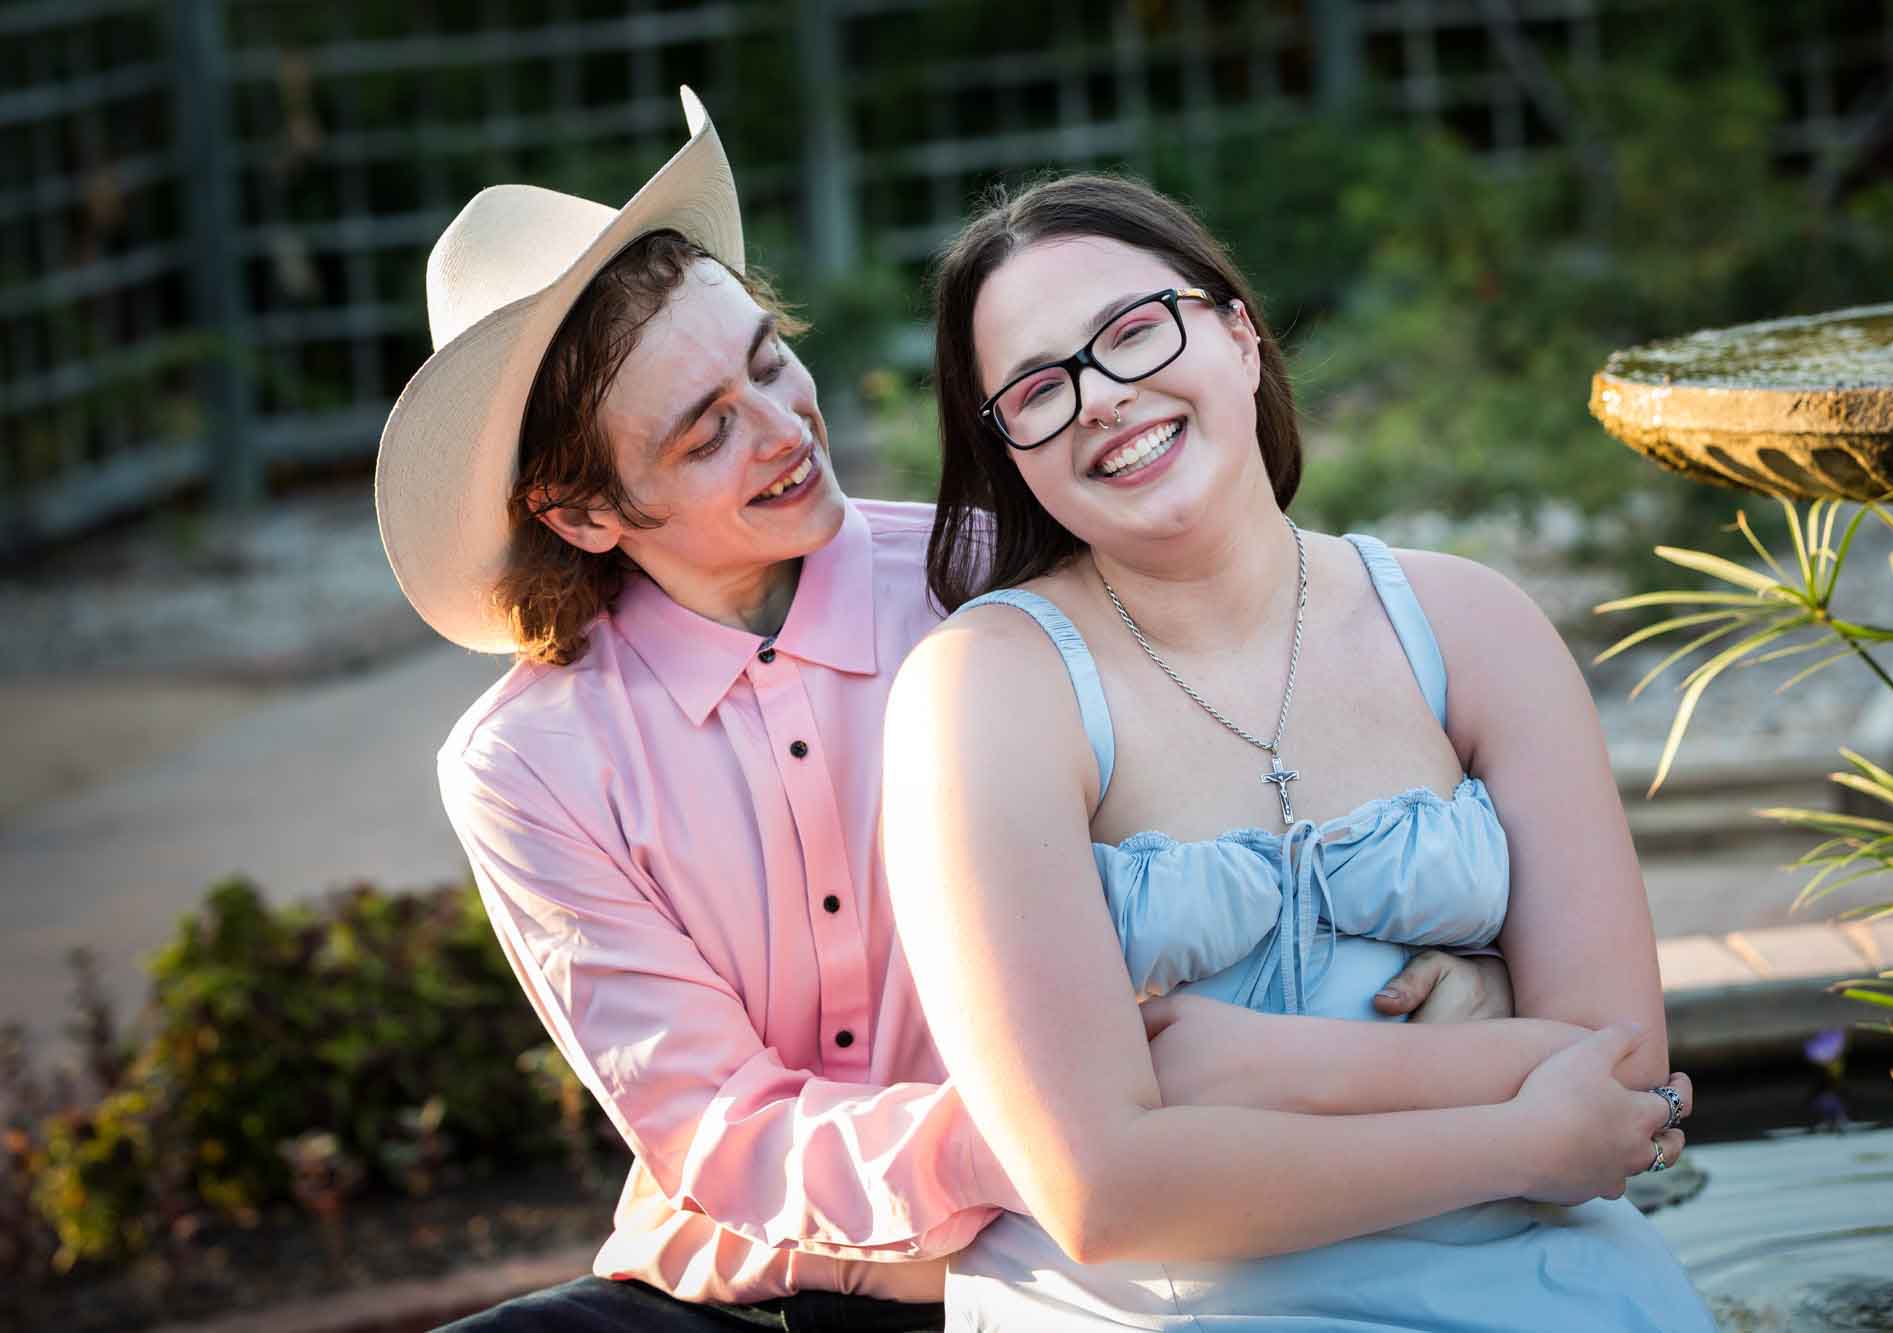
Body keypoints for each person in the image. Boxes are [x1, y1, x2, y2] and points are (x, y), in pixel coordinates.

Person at [374, 92, 1512, 1331]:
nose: (782, 431)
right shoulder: (527, 765)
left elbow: (1264, 749)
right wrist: (1050, 1137)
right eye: (707, 436)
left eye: (767, 360)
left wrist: (1451, 978)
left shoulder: (995, 580)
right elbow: (715, 1126)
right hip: (746, 1287)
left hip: (1078, 1271)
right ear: (581, 513)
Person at [880, 173, 1716, 1330]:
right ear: (1007, 449)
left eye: (1132, 332)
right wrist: (1520, 1120)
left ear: (1237, 334)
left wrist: (1248, 1069)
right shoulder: (988, 690)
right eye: (1035, 388)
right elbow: (1104, 1190)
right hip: (1176, 1302)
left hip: (1529, 1271)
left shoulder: (1470, 626)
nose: (1100, 399)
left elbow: (1621, 1075)